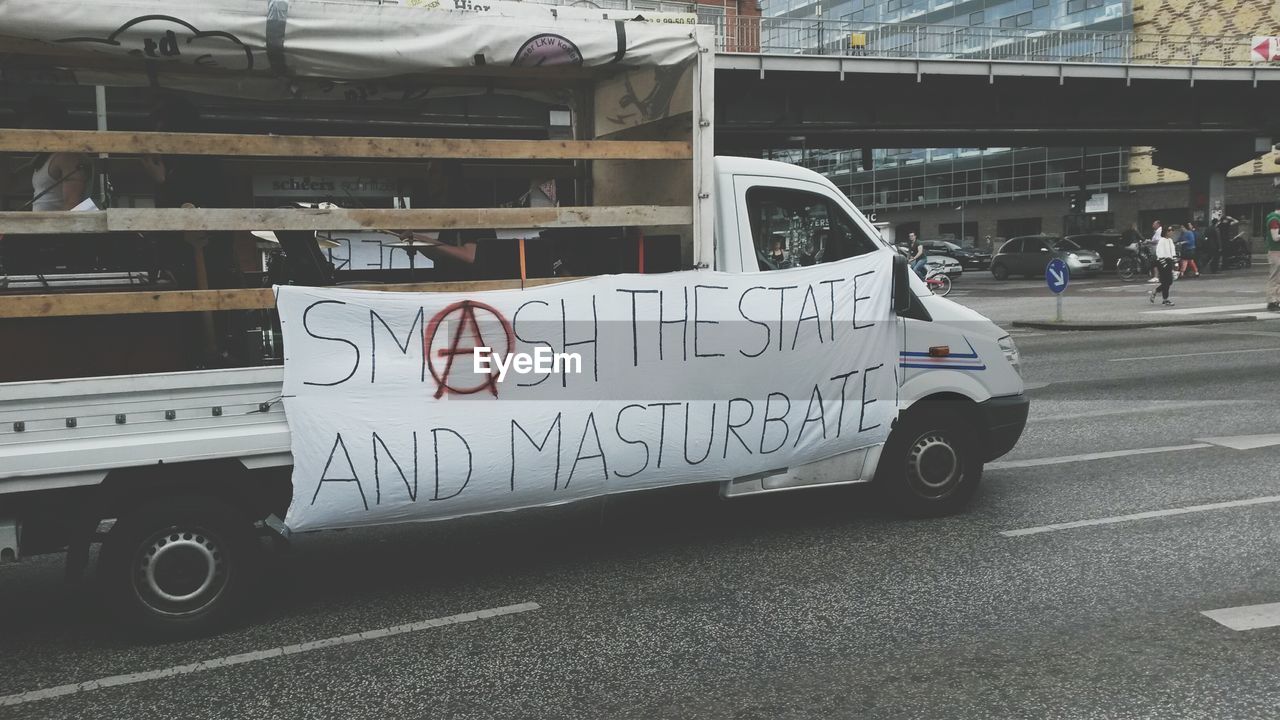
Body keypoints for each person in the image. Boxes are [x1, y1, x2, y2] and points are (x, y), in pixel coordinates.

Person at [24, 96, 91, 211]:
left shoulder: (67, 156)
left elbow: (72, 203)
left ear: (44, 120)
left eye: (29, 117)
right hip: (42, 226)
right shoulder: (41, 158)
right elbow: (10, 184)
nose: (24, 124)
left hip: (55, 227)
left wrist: (57, 227)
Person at [1149, 227, 1177, 306]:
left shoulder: (1170, 240)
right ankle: (1165, 299)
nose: (1171, 232)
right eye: (1169, 230)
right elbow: (1159, 252)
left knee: (1169, 281)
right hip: (1162, 262)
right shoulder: (1161, 240)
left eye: (1172, 230)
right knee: (1166, 281)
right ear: (1165, 232)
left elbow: (1173, 251)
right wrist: (1164, 263)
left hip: (1169, 261)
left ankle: (1156, 290)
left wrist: (1175, 262)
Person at [1266, 203, 1280, 312]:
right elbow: (1275, 237)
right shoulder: (1274, 219)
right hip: (1276, 251)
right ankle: (1272, 301)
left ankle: (1276, 300)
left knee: (1277, 277)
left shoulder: (1274, 218)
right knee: (1275, 277)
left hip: (1276, 251)